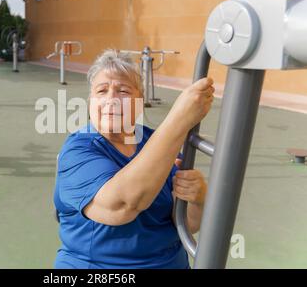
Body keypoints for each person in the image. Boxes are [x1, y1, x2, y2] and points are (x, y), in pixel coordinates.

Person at [54, 49, 215, 268]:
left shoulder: (157, 143)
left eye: (123, 91)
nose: (111, 100)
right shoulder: (77, 151)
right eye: (102, 91)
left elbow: (187, 223)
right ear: (91, 102)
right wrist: (180, 119)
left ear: (139, 101)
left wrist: (197, 198)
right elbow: (121, 206)